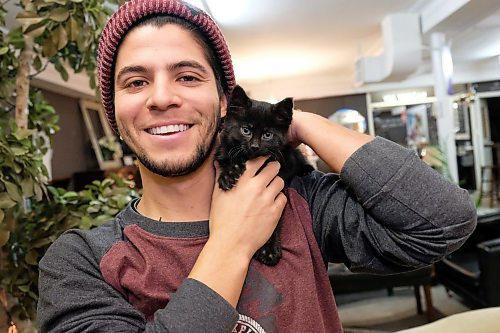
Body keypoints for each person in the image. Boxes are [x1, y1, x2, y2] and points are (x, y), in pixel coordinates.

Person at [36, 1, 477, 332]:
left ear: (226, 103)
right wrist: (230, 243)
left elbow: (445, 222)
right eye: (136, 82)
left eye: (188, 77)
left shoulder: (299, 202)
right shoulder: (81, 262)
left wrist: (295, 123)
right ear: (113, 109)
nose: (161, 97)